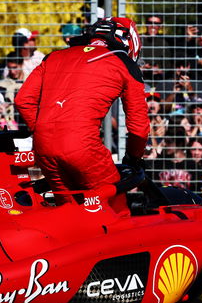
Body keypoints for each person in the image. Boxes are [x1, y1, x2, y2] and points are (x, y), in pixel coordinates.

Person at [15, 17, 149, 197]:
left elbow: (23, 100)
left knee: (67, 210)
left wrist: (42, 130)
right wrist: (133, 158)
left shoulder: (54, 56)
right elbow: (139, 128)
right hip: (83, 147)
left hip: (43, 146)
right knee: (113, 209)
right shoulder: (123, 64)